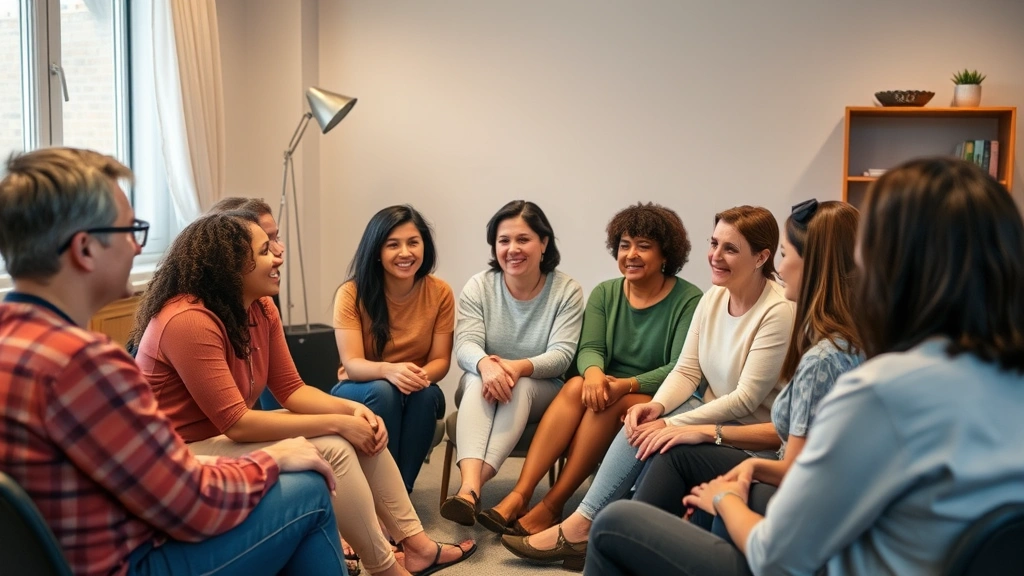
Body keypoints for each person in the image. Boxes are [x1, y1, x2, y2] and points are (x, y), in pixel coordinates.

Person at [584, 157, 1024, 576]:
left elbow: (779, 557)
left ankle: (587, 523)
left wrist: (724, 499)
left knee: (617, 523)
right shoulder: (1002, 378)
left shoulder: (877, 389)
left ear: (892, 265)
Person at [0, 147, 345, 576]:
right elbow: (192, 506)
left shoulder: (13, 341)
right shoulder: (85, 365)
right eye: (130, 230)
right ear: (85, 249)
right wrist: (272, 460)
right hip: (129, 563)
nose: (136, 246)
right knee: (308, 491)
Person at [130, 213, 475, 576]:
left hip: (219, 436)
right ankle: (386, 568)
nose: (278, 257)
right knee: (335, 445)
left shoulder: (261, 307)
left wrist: (352, 412)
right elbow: (237, 423)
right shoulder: (187, 320)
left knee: (362, 430)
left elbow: (292, 389)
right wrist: (338, 423)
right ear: (231, 265)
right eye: (265, 250)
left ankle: (417, 546)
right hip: (176, 453)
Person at [502, 205, 795, 571]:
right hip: (712, 412)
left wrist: (671, 423)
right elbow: (687, 370)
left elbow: (745, 399)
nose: (715, 256)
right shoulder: (714, 297)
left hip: (749, 435)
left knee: (657, 434)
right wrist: (656, 409)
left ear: (761, 257)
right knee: (641, 421)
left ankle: (588, 529)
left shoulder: (777, 310)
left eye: (730, 249)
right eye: (714, 244)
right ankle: (583, 522)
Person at [632, 199, 863, 526]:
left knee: (663, 464)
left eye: (785, 255)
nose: (780, 270)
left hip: (799, 499)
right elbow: (687, 371)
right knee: (655, 436)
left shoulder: (820, 354)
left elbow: (791, 461)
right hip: (781, 470)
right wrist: (689, 425)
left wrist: (709, 440)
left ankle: (606, 528)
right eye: (714, 244)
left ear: (814, 266)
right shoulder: (840, 337)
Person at [479, 202, 703, 536]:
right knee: (574, 386)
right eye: (624, 245)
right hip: (607, 387)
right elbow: (590, 349)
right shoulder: (605, 293)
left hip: (658, 395)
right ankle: (520, 496)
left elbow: (679, 367)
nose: (631, 255)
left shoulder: (689, 300)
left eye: (643, 246)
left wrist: (625, 385)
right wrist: (595, 374)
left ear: (665, 254)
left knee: (606, 400)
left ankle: (553, 505)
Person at [440, 200, 585, 526]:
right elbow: (465, 345)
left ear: (544, 243)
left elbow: (562, 356)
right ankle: (470, 490)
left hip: (541, 389)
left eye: (523, 239)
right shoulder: (479, 286)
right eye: (504, 240)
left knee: (519, 386)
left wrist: (515, 368)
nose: (512, 249)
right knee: (477, 377)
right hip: (483, 383)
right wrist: (486, 365)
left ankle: (469, 489)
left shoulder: (566, 290)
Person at [331, 205, 450, 493]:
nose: (405, 253)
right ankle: (382, 491)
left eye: (413, 242)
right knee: (385, 391)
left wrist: (412, 378)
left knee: (426, 394)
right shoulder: (351, 293)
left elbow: (440, 360)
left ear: (424, 246)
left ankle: (400, 494)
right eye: (393, 245)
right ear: (376, 251)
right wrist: (389, 372)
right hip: (361, 387)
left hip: (415, 386)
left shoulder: (440, 292)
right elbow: (353, 364)